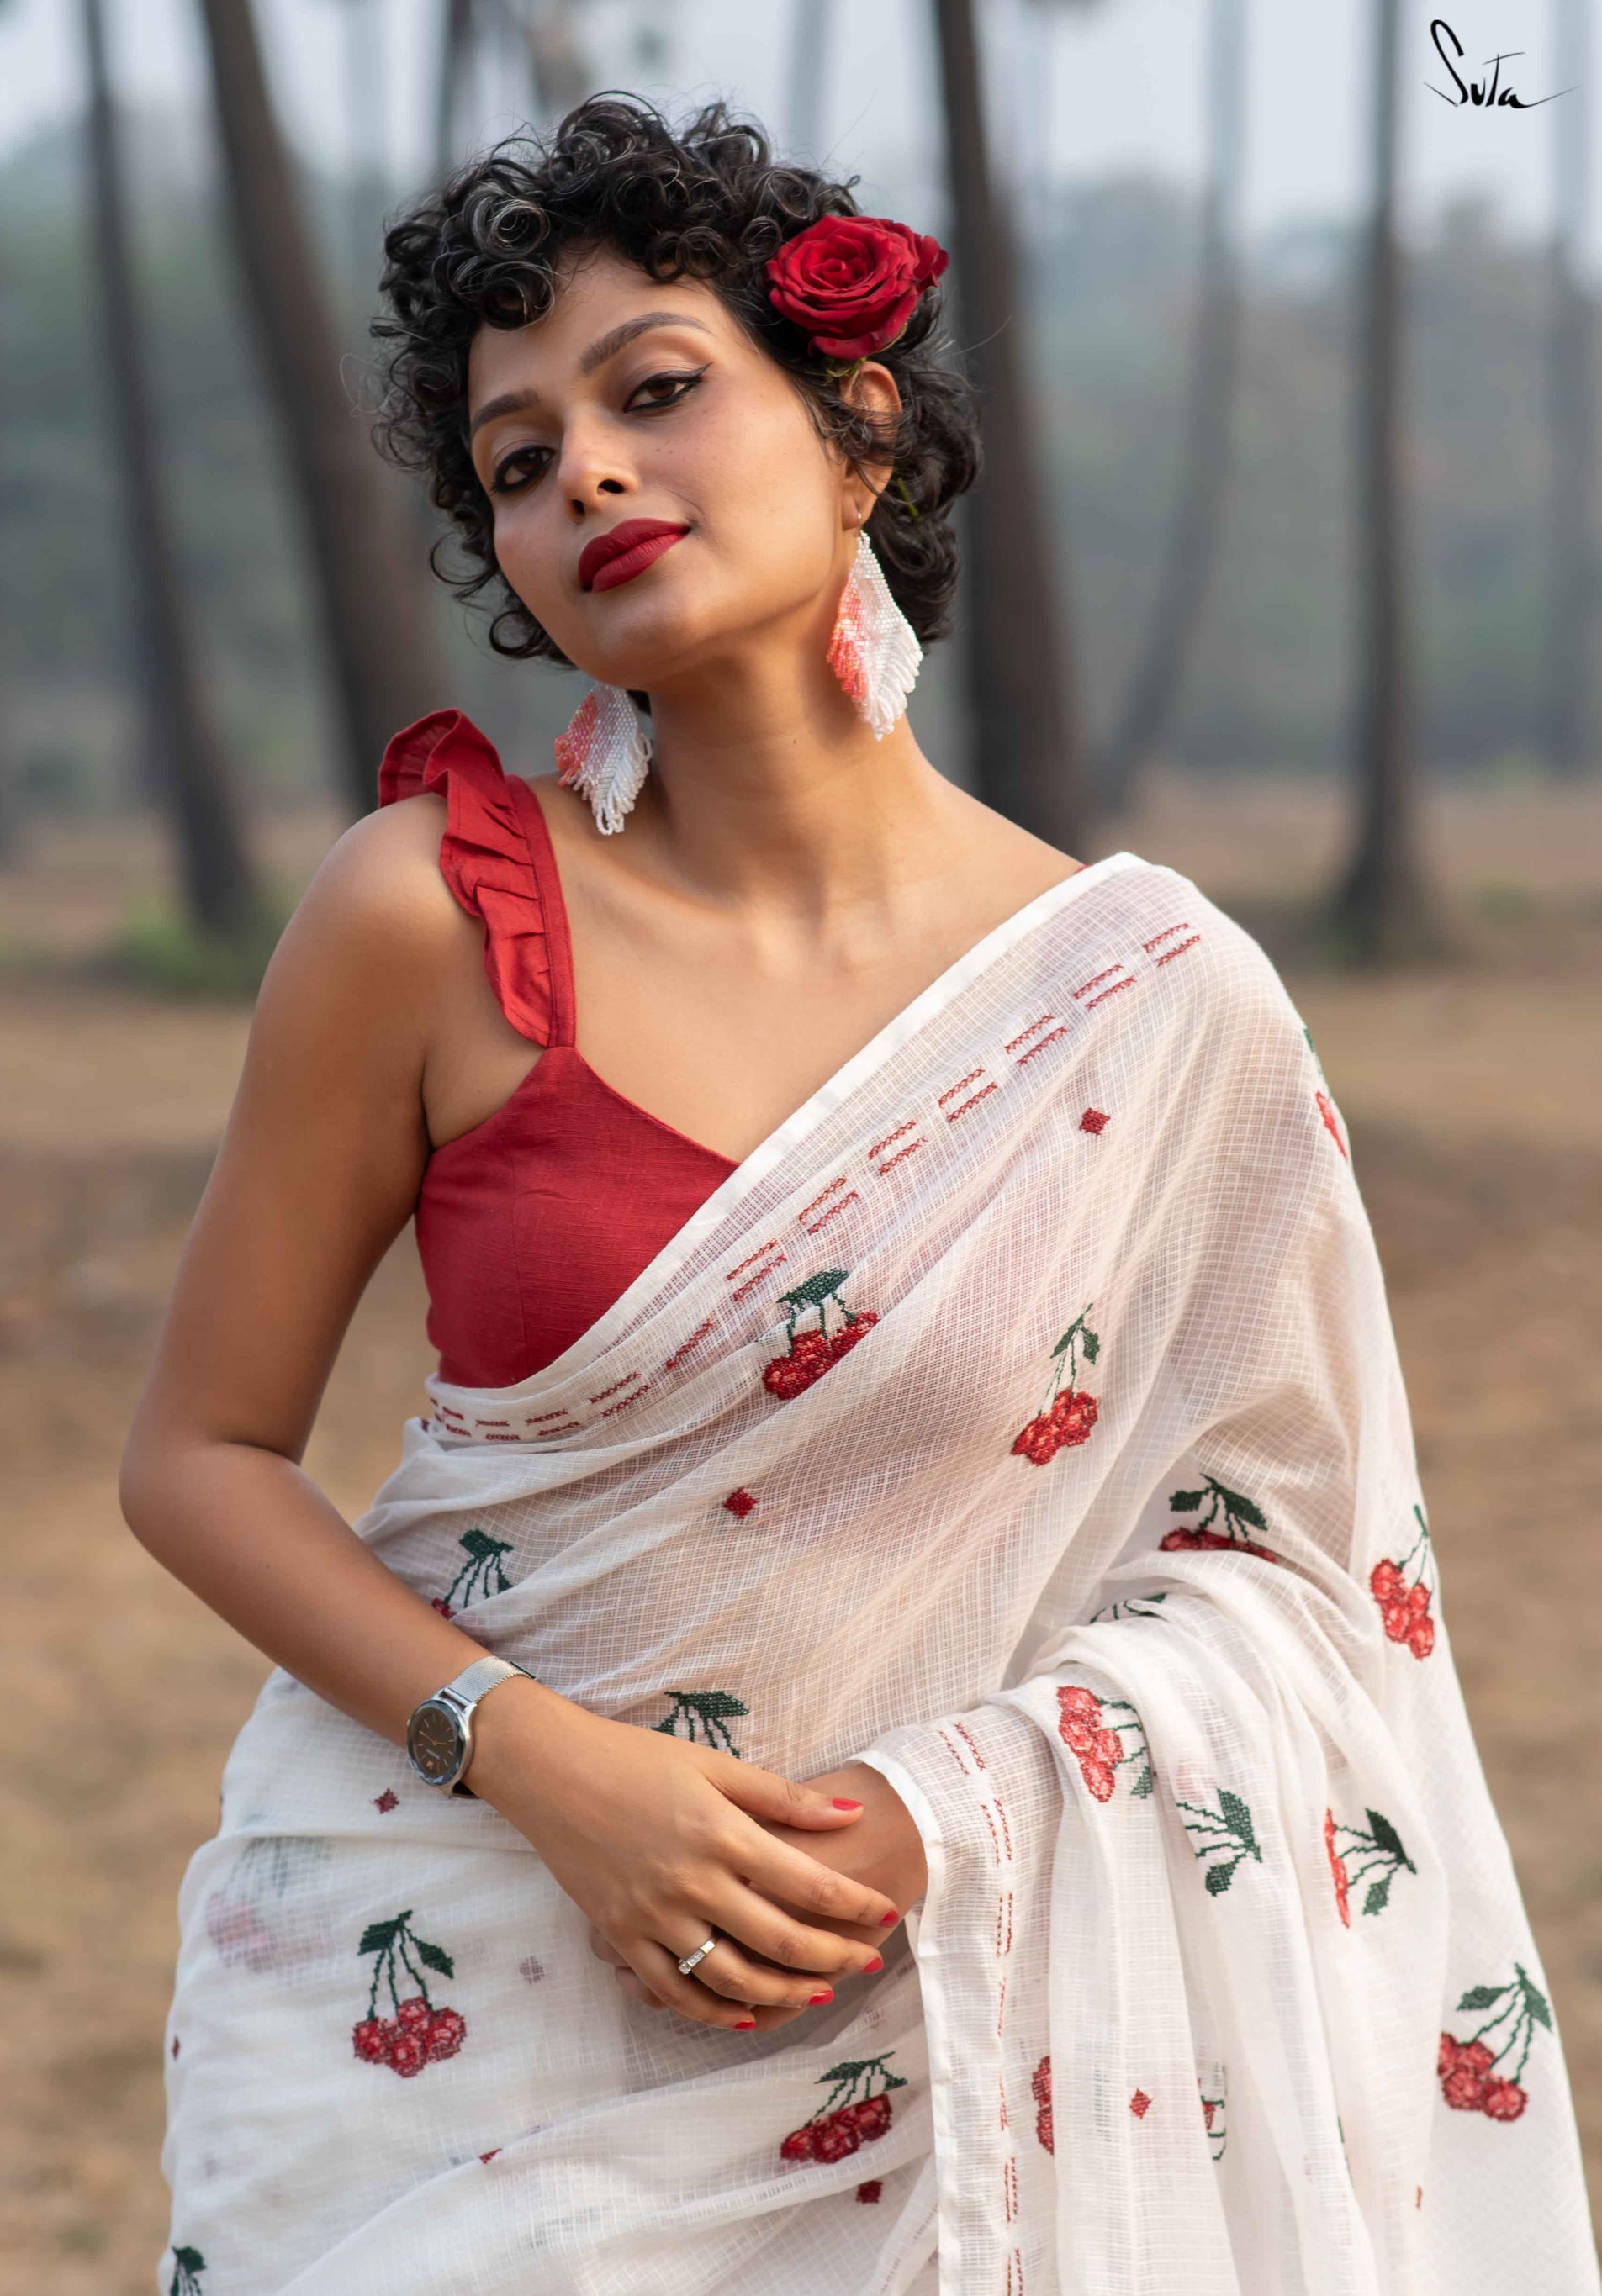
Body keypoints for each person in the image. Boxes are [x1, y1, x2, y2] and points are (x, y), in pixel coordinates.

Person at [120, 97, 1596, 2296]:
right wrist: (547, 1771)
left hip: (941, 2021)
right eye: (518, 462)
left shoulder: (1153, 1005)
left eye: (654, 391)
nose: (588, 475)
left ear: (860, 429)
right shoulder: (423, 918)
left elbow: (1295, 1569)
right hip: (445, 2001)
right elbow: (197, 1457)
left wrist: (966, 1811)